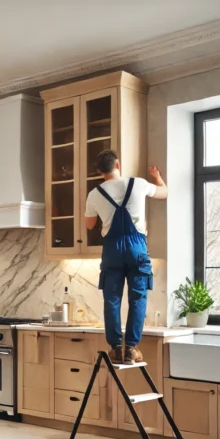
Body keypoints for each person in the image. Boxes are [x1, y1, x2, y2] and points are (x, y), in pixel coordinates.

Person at [85, 150, 168, 364]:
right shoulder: (138, 184)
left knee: (112, 299)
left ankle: (115, 349)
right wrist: (157, 176)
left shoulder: (94, 194)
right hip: (137, 247)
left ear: (99, 171)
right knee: (137, 297)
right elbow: (163, 193)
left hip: (112, 249)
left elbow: (89, 224)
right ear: (118, 165)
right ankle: (131, 348)